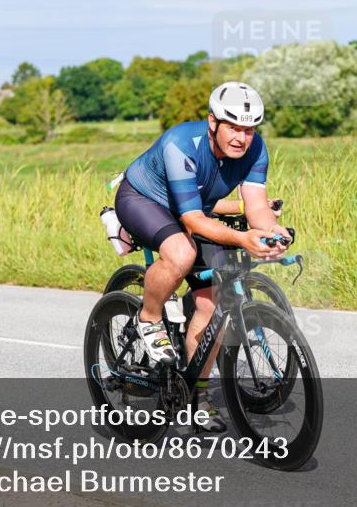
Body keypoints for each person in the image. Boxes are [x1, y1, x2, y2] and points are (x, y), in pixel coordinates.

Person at [114, 81, 290, 433]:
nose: (242, 137)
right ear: (213, 122)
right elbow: (193, 221)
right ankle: (149, 319)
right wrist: (243, 237)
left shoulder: (256, 151)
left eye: (249, 129)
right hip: (144, 200)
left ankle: (197, 393)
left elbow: (256, 205)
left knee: (211, 305)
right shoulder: (182, 144)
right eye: (234, 127)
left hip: (193, 205)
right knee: (181, 252)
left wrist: (271, 232)